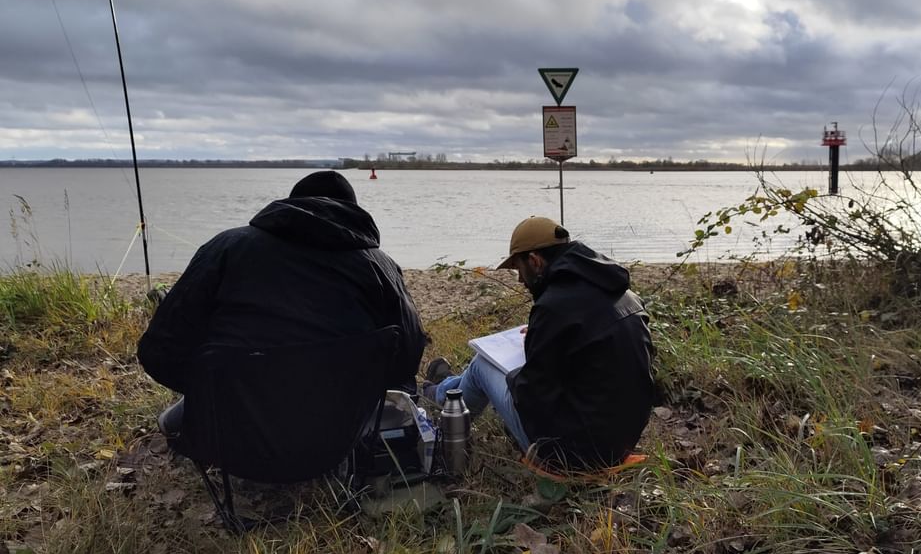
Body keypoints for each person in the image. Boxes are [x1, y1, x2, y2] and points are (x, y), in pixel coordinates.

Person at [138, 171, 426, 457]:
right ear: (353, 213)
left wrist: (204, 390)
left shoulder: (226, 247)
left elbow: (159, 350)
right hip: (339, 436)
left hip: (235, 432)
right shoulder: (380, 266)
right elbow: (408, 357)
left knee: (181, 413)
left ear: (290, 205)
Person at [428, 216, 654, 470]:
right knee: (486, 366)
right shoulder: (626, 295)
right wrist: (540, 337)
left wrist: (514, 373)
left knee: (482, 365)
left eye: (518, 268)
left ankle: (446, 409)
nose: (519, 280)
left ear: (535, 261)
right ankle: (446, 388)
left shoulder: (554, 307)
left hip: (571, 454)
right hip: (622, 441)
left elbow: (532, 398)